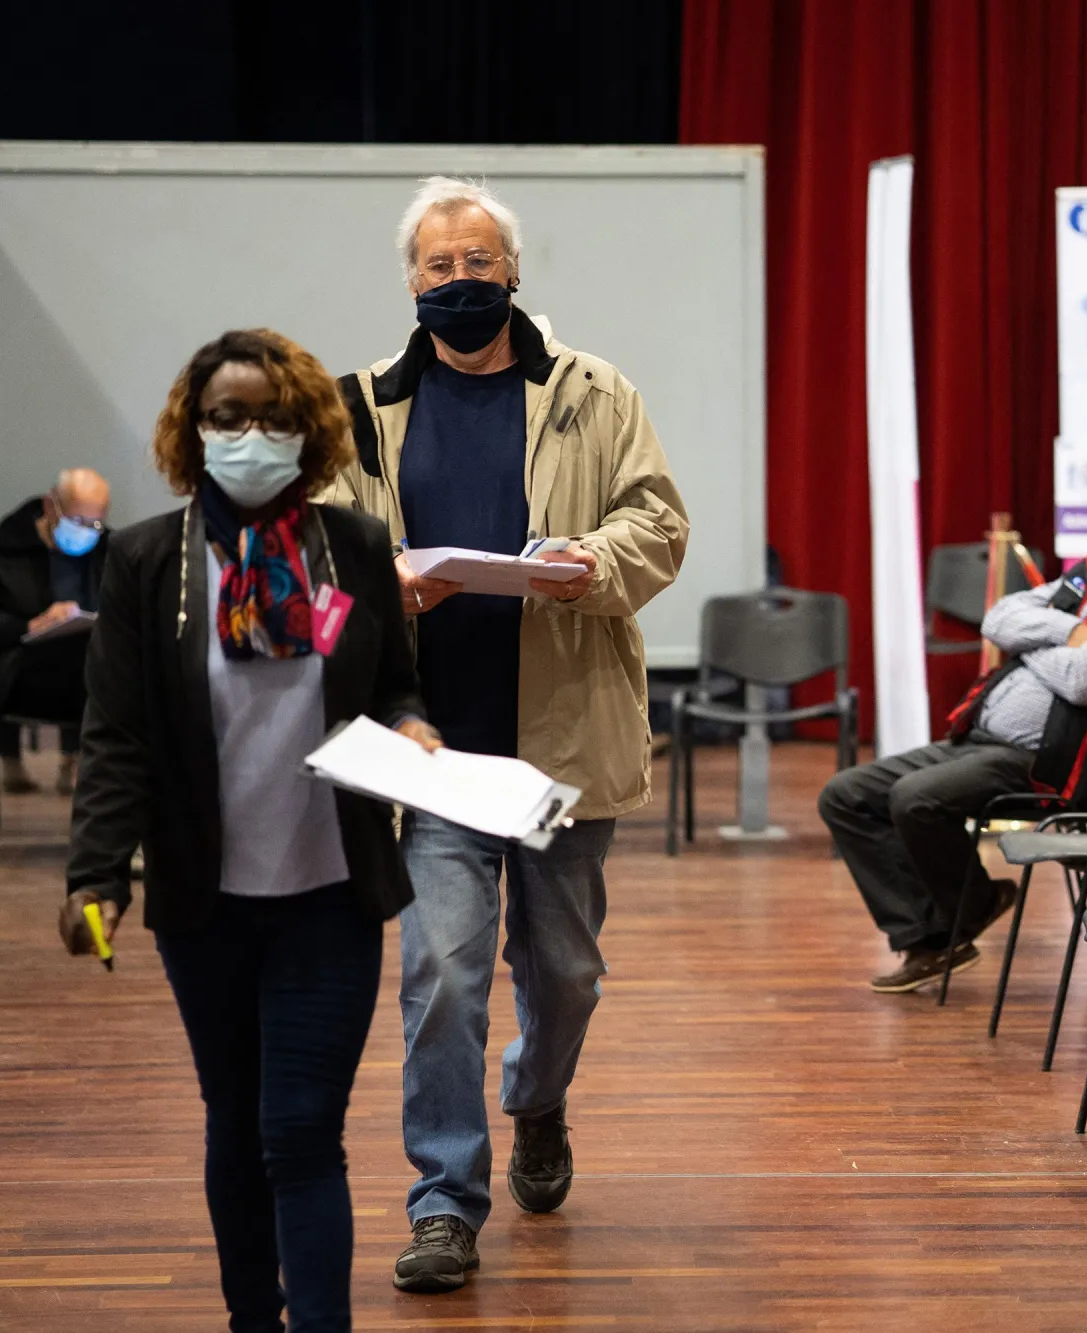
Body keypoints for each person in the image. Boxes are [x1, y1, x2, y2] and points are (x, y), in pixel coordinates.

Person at [326, 177, 689, 1294]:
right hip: (432, 749)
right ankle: (443, 1200)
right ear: (409, 278)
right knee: (439, 971)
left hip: (563, 745)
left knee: (565, 974)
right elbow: (319, 548)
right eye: (439, 265)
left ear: (514, 271)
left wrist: (592, 563)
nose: (461, 281)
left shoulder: (592, 391)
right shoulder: (359, 407)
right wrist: (382, 586)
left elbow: (658, 521)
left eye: (480, 261)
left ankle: (536, 1099)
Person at [60, 329, 436, 1333]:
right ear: (195, 431)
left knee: (302, 1129)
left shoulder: (351, 545)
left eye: (272, 415)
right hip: (204, 901)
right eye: (227, 416)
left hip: (331, 891)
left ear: (307, 431)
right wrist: (95, 873)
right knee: (235, 1122)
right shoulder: (147, 561)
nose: (250, 434)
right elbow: (118, 737)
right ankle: (248, 1320)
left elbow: (395, 678)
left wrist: (412, 724)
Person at [819, 473, 1087, 993]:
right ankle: (936, 931)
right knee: (845, 795)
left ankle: (960, 916)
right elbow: (999, 617)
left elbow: (1081, 680)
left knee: (915, 799)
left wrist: (1030, 641)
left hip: (1050, 766)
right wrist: (1066, 631)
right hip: (982, 741)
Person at [0, 468, 112, 795]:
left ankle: (85, 767)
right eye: (77, 521)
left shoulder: (108, 551)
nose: (85, 532)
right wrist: (28, 626)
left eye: (94, 525)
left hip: (91, 682)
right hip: (17, 679)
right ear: (50, 506)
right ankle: (15, 758)